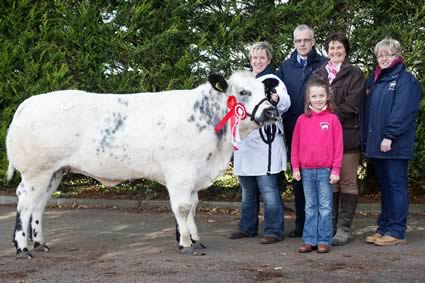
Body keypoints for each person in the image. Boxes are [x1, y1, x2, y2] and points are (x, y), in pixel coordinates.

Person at [228, 41, 291, 244]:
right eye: (254, 57)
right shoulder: (244, 82)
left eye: (262, 57)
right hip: (245, 141)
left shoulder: (272, 80)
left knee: (268, 189)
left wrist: (274, 99)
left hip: (265, 141)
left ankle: (273, 230)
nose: (258, 61)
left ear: (269, 60)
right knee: (247, 190)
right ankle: (247, 227)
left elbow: (284, 101)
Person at [362, 37, 422, 246]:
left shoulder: (406, 80)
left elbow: (403, 112)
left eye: (388, 54)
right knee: (386, 187)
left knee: (396, 186)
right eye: (380, 55)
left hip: (393, 144)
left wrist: (389, 135)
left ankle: (396, 231)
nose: (384, 58)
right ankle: (384, 227)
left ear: (397, 56)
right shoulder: (376, 80)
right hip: (378, 145)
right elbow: (369, 112)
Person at [310, 32, 365, 245]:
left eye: (339, 48)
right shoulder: (318, 73)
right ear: (327, 50)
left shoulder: (355, 74)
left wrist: (330, 120)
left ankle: (344, 229)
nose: (335, 51)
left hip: (348, 135)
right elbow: (312, 99)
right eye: (332, 48)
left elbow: (352, 104)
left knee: (348, 181)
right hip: (324, 139)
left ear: (346, 50)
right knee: (330, 183)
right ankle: (329, 226)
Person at [276, 24, 327, 238]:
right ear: (294, 43)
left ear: (313, 41)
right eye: (298, 41)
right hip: (294, 130)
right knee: (298, 177)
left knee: (321, 179)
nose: (302, 44)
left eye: (306, 40)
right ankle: (302, 224)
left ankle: (322, 226)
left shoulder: (324, 65)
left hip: (319, 129)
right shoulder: (285, 67)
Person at [291, 78, 343, 253]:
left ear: (328, 96)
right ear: (308, 98)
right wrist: (296, 168)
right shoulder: (301, 120)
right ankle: (309, 239)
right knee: (310, 206)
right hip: (306, 171)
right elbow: (295, 146)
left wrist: (336, 169)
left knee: (325, 206)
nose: (318, 99)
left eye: (321, 95)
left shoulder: (332, 119)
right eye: (314, 96)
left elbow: (338, 147)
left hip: (325, 171)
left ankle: (323, 240)